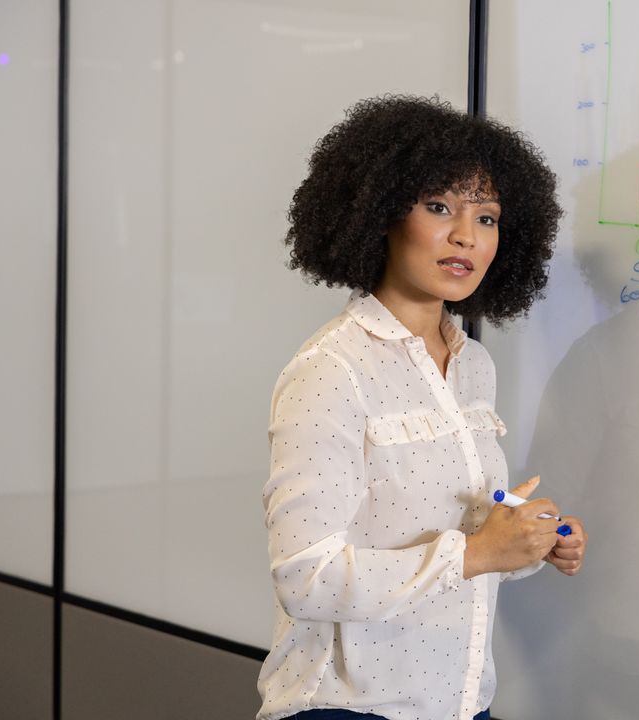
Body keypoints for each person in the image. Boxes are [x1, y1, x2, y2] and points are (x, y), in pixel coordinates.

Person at [257, 95, 588, 720]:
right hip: (348, 710)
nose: (466, 234)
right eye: (440, 208)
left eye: (486, 217)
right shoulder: (331, 370)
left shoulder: (473, 366)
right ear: (381, 214)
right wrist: (481, 552)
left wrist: (527, 543)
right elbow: (305, 578)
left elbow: (463, 539)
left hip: (460, 704)